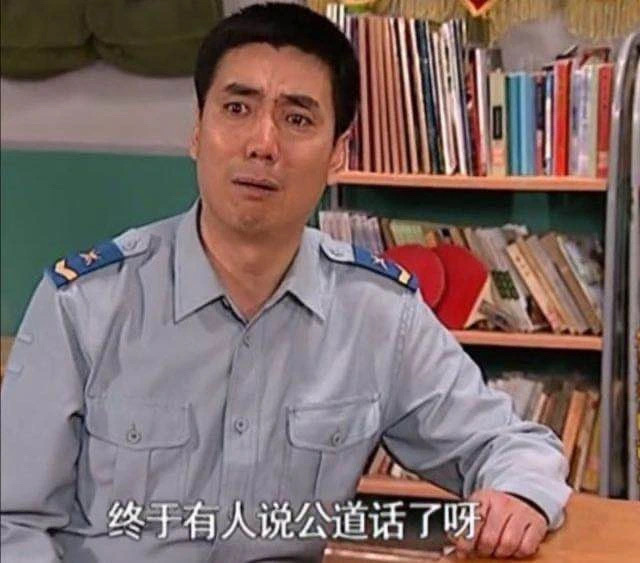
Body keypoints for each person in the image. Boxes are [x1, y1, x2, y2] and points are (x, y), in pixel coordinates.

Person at [0, 3, 571, 561]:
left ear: (337, 154)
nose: (262, 144)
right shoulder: (86, 305)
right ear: (197, 132)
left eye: (298, 119)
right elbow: (12, 522)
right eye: (237, 109)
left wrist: (517, 496)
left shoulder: (376, 313)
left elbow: (509, 444)